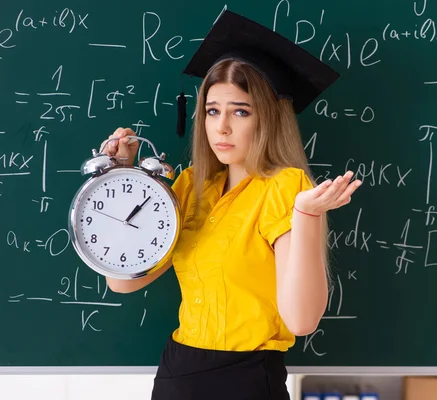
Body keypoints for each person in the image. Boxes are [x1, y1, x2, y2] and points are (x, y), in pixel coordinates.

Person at [100, 10, 362, 400]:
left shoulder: (285, 187)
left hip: (247, 379)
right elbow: (121, 281)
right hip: (177, 373)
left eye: (240, 111)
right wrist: (124, 177)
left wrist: (306, 214)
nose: (221, 127)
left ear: (268, 118)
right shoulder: (188, 186)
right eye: (212, 110)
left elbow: (302, 320)